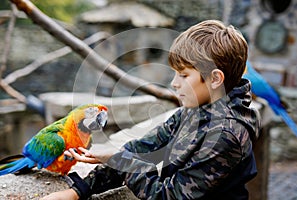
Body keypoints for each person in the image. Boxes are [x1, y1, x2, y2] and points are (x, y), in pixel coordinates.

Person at [42, 19, 260, 200]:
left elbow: (170, 195)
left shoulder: (225, 133)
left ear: (215, 79)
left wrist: (119, 160)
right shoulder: (195, 110)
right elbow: (142, 149)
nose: (174, 83)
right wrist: (78, 191)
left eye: (184, 75)